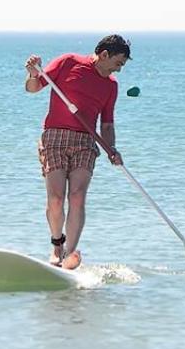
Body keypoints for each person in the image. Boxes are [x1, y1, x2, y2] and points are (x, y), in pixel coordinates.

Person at [24, 35, 130, 269]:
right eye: (118, 63)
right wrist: (33, 73)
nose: (119, 70)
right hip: (54, 136)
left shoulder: (111, 85)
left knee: (77, 196)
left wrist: (111, 149)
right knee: (56, 197)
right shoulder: (68, 62)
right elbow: (33, 88)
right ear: (104, 55)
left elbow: (107, 125)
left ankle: (70, 254)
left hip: (85, 141)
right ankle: (57, 246)